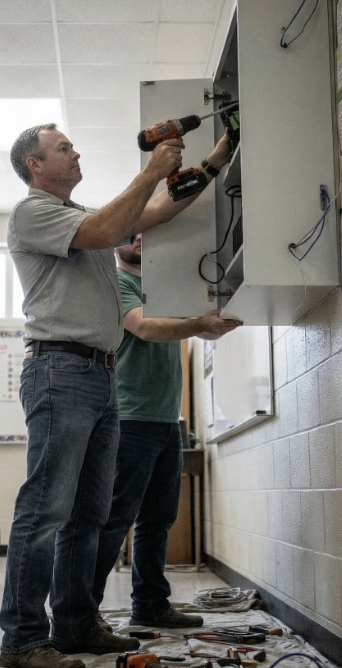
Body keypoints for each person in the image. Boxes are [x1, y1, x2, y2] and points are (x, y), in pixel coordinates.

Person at [0, 122, 231, 668]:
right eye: (63, 148)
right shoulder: (33, 213)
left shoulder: (82, 218)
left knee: (89, 512)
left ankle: (75, 623)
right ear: (35, 165)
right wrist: (151, 169)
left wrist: (217, 161)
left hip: (98, 376)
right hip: (60, 370)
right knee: (47, 507)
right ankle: (22, 639)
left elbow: (156, 212)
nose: (75, 152)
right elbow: (111, 227)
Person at [91, 231, 242, 630]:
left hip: (166, 419)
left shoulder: (164, 289)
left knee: (158, 519)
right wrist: (196, 324)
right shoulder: (116, 282)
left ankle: (151, 605)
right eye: (129, 233)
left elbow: (188, 324)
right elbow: (142, 328)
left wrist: (207, 323)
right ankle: (83, 614)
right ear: (113, 242)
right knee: (115, 518)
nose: (139, 238)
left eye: (146, 232)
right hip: (129, 418)